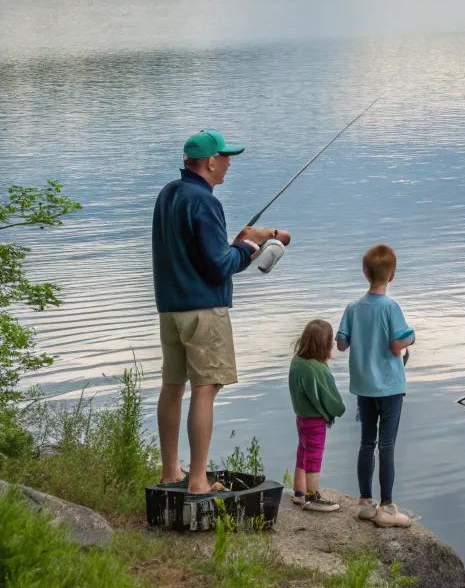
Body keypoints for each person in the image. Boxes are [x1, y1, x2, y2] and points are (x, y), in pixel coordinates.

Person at [152, 128, 289, 495]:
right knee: (205, 388)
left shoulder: (169, 194)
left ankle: (170, 472)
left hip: (170, 309)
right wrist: (247, 247)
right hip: (203, 311)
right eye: (226, 157)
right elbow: (218, 266)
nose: (229, 163)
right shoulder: (206, 202)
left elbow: (196, 255)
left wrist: (239, 244)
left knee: (172, 386)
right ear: (210, 161)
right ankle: (197, 480)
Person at [336, 243, 416, 529]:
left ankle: (365, 503)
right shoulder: (391, 308)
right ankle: (388, 505)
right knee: (387, 445)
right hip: (390, 388)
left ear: (364, 272)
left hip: (363, 387)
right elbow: (396, 346)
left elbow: (341, 344)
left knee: (366, 443)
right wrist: (411, 338)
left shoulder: (353, 308)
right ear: (391, 275)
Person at [289, 318, 346, 512]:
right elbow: (330, 399)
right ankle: (312, 496)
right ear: (325, 345)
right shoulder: (317, 368)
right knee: (314, 454)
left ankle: (299, 492)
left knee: (303, 451)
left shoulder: (297, 361)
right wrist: (338, 409)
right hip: (314, 420)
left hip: (301, 417)